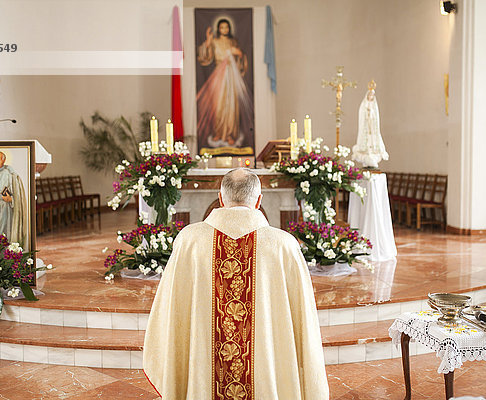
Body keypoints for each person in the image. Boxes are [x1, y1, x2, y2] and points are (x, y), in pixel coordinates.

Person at [143, 168, 329, 399]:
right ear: (259, 200)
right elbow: (304, 322)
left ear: (220, 199)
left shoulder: (189, 241)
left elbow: (170, 314)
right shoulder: (284, 245)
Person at [197, 18, 253, 148]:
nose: (224, 30)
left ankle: (229, 134)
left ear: (229, 28)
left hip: (232, 76)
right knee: (218, 106)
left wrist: (238, 53)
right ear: (218, 29)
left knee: (231, 106)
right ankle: (218, 132)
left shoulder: (233, 42)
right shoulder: (215, 42)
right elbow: (205, 58)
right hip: (219, 75)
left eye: (226, 27)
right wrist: (208, 41)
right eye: (222, 27)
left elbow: (241, 59)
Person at [351, 80, 389, 169]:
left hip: (372, 126)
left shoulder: (374, 106)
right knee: (365, 141)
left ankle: (372, 156)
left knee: (373, 140)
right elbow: (362, 116)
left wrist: (371, 114)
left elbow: (376, 117)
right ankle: (366, 157)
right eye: (370, 95)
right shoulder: (364, 105)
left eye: (372, 95)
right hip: (366, 126)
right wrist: (367, 113)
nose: (371, 97)